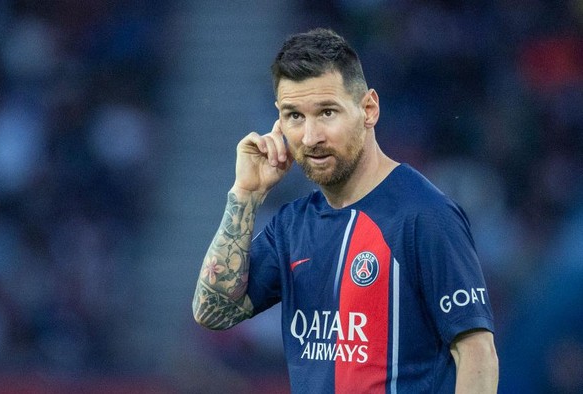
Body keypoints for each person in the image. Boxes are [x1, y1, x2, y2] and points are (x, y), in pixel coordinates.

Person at [192, 28, 498, 393]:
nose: (310, 136)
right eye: (294, 116)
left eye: (327, 112)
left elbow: (477, 352)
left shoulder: (424, 215)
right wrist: (245, 194)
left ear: (369, 109)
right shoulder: (292, 225)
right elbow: (213, 312)